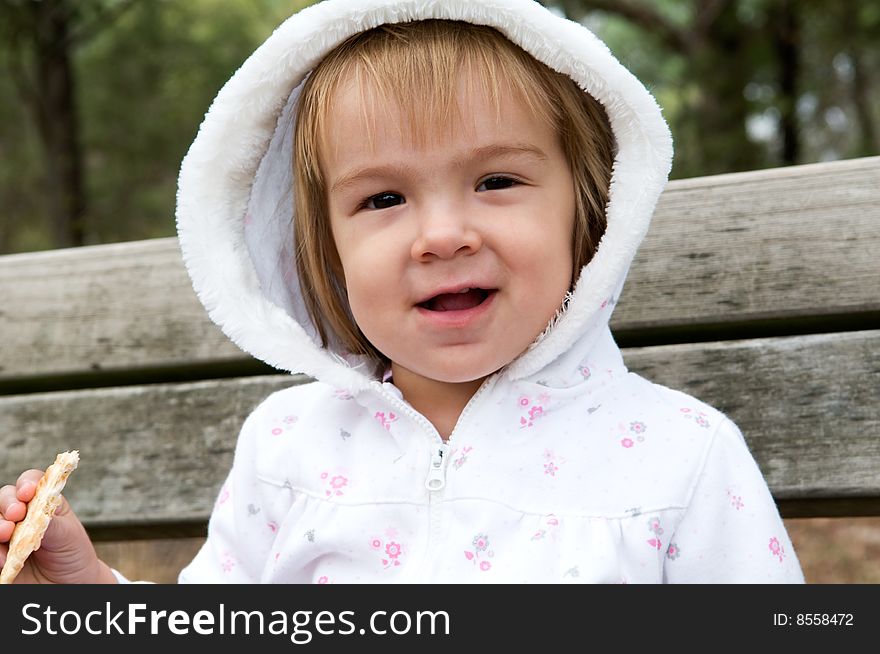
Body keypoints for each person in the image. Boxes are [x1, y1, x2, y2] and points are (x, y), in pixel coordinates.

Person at [0, 0, 803, 583]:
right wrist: (84, 591)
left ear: (588, 215)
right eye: (383, 199)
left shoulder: (680, 457)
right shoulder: (288, 447)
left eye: (496, 180)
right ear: (325, 249)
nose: (443, 234)